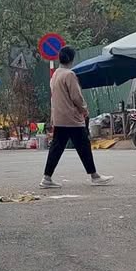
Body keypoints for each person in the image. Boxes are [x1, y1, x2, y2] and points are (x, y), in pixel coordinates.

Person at [40, 46, 113, 189]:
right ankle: (94, 176)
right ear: (72, 59)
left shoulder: (55, 75)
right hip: (72, 118)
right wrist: (84, 110)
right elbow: (76, 97)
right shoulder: (69, 75)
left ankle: (47, 178)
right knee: (83, 146)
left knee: (57, 148)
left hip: (60, 117)